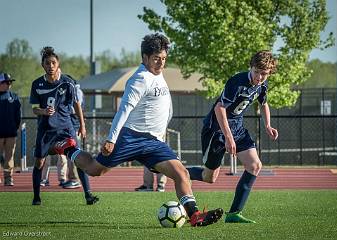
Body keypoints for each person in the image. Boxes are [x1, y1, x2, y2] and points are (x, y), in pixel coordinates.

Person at [53, 33, 223, 227]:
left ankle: (194, 216)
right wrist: (111, 139)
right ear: (145, 57)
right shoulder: (140, 79)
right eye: (156, 59)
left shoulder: (158, 75)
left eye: (164, 58)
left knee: (181, 173)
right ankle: (68, 148)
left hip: (153, 142)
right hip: (130, 137)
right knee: (94, 170)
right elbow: (124, 109)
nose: (161, 63)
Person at [186, 50, 278, 223]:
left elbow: (263, 103)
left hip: (237, 128)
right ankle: (181, 173)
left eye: (264, 74)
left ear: (269, 73)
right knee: (209, 177)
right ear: (250, 67)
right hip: (216, 130)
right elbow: (219, 109)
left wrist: (267, 125)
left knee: (255, 165)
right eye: (256, 72)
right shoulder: (237, 82)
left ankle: (234, 214)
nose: (259, 77)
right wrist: (228, 137)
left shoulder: (262, 85)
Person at [29, 46, 98, 205]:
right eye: (47, 63)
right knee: (39, 162)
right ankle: (36, 197)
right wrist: (43, 111)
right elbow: (34, 109)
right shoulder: (37, 84)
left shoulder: (68, 82)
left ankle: (88, 195)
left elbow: (77, 104)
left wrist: (82, 125)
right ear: (43, 65)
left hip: (66, 129)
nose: (50, 66)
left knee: (78, 158)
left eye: (53, 63)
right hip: (46, 130)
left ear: (58, 64)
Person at [0, 73, 21, 186]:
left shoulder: (14, 96)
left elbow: (18, 115)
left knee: (9, 157)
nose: (9, 84)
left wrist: (15, 127)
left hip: (11, 133)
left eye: (10, 82)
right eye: (7, 82)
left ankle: (8, 179)